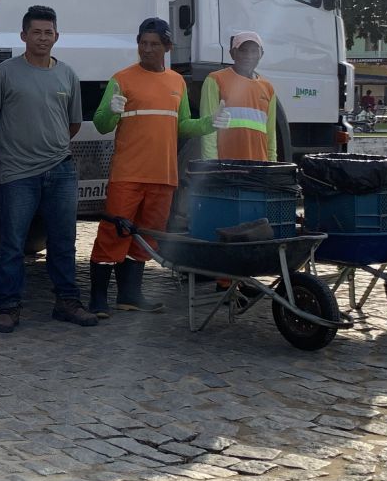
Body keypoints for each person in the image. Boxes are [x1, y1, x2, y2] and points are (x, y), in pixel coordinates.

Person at [0, 5, 97, 332]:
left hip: (61, 171)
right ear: (23, 36)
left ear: (56, 36)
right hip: (17, 174)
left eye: (48, 32)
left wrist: (52, 146)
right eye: (36, 32)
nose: (42, 38)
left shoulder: (67, 74)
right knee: (12, 242)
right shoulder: (4, 73)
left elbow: (72, 123)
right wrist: (6, 151)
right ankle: (8, 307)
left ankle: (67, 302)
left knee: (63, 240)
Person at [88, 17, 211, 315]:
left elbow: (182, 125)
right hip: (127, 175)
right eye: (143, 43)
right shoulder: (122, 78)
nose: (147, 49)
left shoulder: (176, 82)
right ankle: (98, 299)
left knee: (145, 237)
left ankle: (130, 296)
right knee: (113, 234)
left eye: (154, 44)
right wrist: (111, 112)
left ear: (167, 47)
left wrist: (208, 124)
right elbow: (101, 125)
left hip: (163, 176)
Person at [198, 31, 280, 162]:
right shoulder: (216, 80)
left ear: (261, 54)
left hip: (260, 169)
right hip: (227, 167)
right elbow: (208, 132)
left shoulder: (268, 88)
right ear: (232, 53)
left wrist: (272, 166)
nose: (249, 56)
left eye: (254, 51)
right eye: (243, 50)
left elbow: (271, 134)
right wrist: (211, 166)